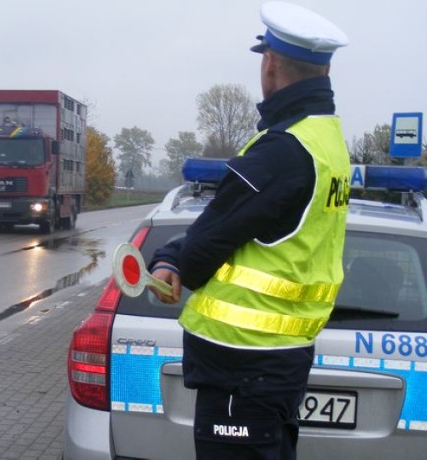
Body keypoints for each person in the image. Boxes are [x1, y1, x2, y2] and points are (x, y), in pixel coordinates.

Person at [148, 2, 350, 459]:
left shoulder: (281, 150)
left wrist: (168, 259)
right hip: (280, 360)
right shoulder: (327, 140)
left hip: (242, 365)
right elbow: (237, 225)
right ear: (326, 68)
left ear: (271, 63)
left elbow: (205, 245)